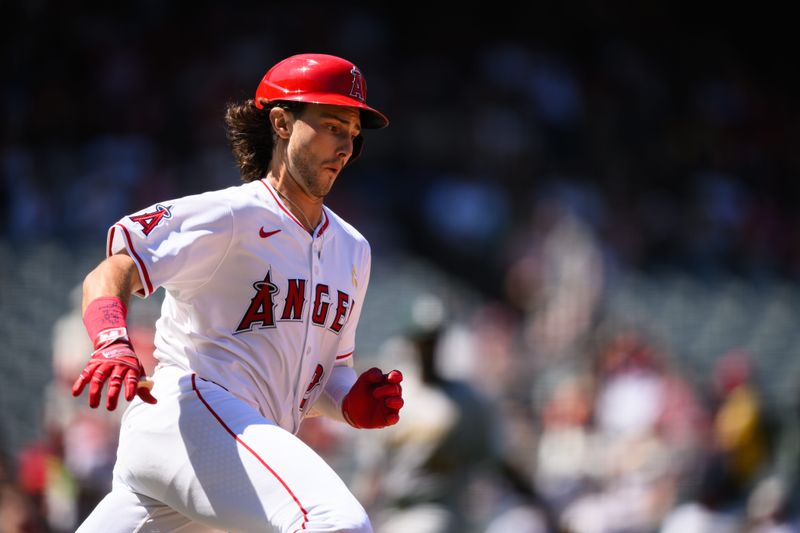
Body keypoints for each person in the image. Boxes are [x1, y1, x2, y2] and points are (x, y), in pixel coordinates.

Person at [70, 53, 404, 533]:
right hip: (189, 411)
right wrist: (111, 340)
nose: (346, 145)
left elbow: (329, 371)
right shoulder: (232, 215)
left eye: (353, 133)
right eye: (332, 125)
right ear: (281, 122)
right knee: (335, 522)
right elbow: (114, 269)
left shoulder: (354, 250)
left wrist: (351, 400)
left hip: (231, 451)